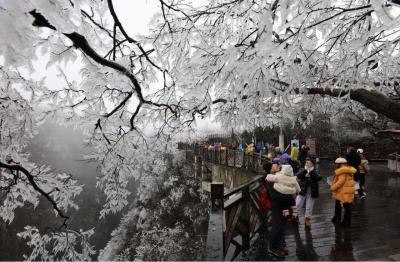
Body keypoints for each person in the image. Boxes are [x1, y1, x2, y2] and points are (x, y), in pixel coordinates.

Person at [266, 164, 301, 257]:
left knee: (283, 227)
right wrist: (290, 197)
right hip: (277, 207)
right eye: (274, 166)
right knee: (277, 227)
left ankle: (278, 245)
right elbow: (274, 196)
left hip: (285, 206)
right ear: (270, 169)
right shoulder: (270, 180)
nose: (277, 166)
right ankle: (272, 248)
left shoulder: (280, 176)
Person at [295, 158, 322, 228]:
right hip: (302, 190)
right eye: (307, 163)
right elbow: (298, 175)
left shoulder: (314, 171)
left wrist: (310, 171)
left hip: (312, 191)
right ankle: (294, 216)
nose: (308, 164)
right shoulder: (302, 169)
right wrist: (305, 170)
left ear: (312, 164)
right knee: (297, 204)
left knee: (309, 207)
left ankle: (307, 219)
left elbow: (318, 178)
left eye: (309, 163)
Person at [331, 157, 356, 227]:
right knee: (343, 205)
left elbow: (340, 182)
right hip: (348, 191)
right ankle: (339, 218)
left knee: (346, 207)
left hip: (343, 191)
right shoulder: (349, 170)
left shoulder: (342, 171)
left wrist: (332, 187)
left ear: (339, 164)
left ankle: (346, 222)